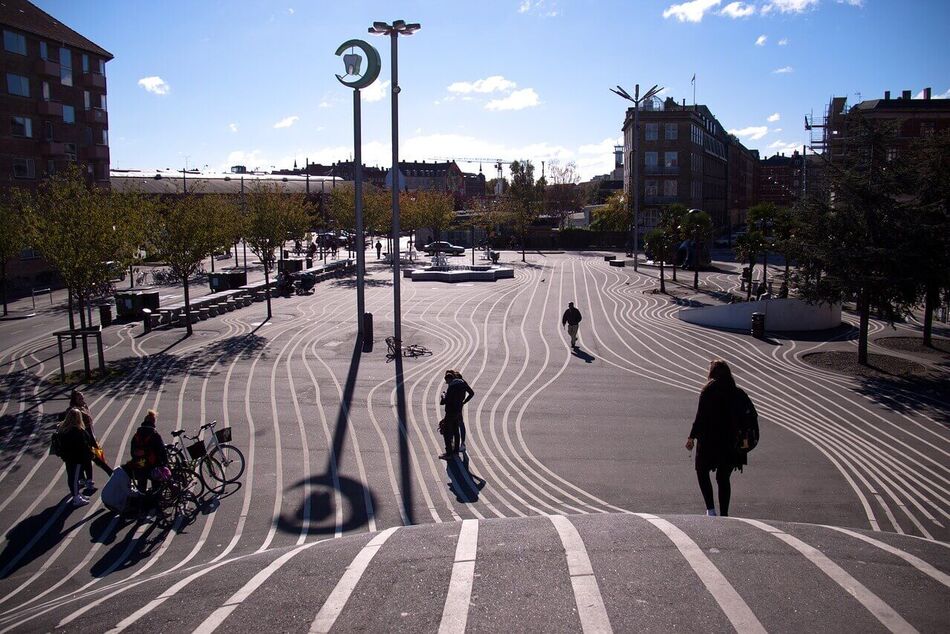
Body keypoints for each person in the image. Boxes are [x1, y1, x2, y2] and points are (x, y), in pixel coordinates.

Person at [685, 359, 746, 517]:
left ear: (712, 374)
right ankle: (724, 514)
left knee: (701, 470)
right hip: (731, 442)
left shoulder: (708, 391)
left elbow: (700, 418)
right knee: (723, 477)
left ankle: (710, 509)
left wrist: (691, 437)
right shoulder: (737, 392)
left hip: (709, 441)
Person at [68, 390, 112, 491]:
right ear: (74, 400)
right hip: (83, 440)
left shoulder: (85, 407)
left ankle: (84, 479)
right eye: (79, 398)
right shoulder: (74, 411)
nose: (82, 400)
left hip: (91, 437)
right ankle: (89, 480)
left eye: (83, 397)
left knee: (96, 458)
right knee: (91, 460)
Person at [57, 408, 95, 506]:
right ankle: (76, 498)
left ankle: (77, 494)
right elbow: (83, 444)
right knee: (74, 478)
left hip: (68, 457)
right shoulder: (76, 431)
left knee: (72, 476)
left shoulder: (63, 428)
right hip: (76, 458)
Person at [129, 410, 168, 497]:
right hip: (152, 465)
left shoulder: (137, 435)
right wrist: (165, 464)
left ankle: (141, 507)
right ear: (153, 422)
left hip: (140, 464)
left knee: (141, 488)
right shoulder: (155, 435)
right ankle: (154, 506)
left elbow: (132, 451)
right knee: (156, 488)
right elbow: (161, 451)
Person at [439, 370, 475, 459]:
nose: (446, 383)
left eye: (447, 381)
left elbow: (446, 401)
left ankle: (449, 454)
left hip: (450, 412)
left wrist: (443, 396)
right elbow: (471, 393)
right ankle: (455, 451)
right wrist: (463, 402)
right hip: (458, 411)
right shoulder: (462, 383)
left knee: (447, 432)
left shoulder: (451, 387)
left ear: (450, 379)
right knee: (456, 431)